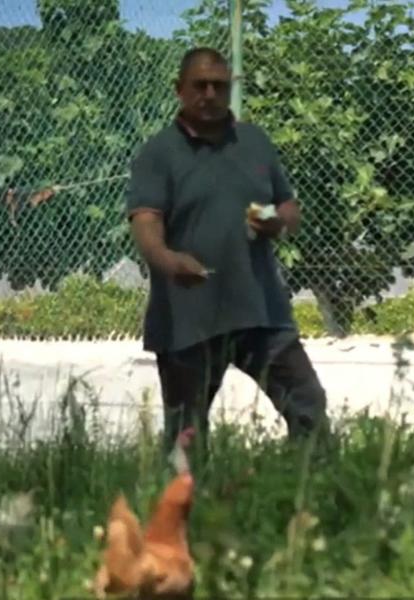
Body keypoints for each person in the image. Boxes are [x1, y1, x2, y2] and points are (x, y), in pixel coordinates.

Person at [124, 46, 329, 458]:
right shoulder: (158, 153)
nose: (210, 94)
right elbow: (145, 223)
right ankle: (187, 511)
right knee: (186, 436)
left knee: (308, 407)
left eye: (219, 86)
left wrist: (275, 219)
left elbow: (288, 207)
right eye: (199, 85)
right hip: (188, 318)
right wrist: (168, 261)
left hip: (260, 310)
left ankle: (307, 494)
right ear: (179, 90)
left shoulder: (254, 142)